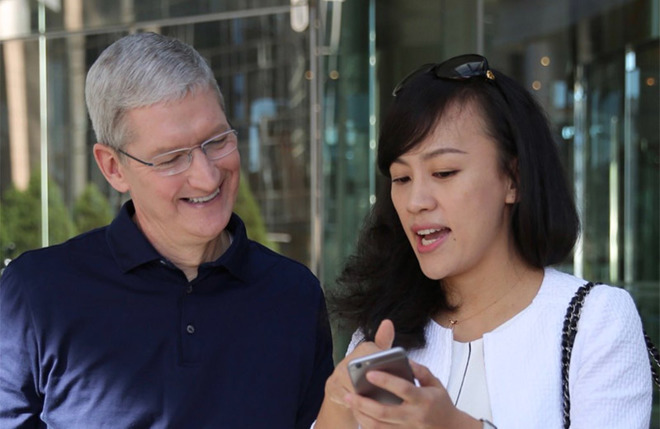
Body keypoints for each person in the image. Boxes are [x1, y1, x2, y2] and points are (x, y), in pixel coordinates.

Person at [0, 32, 333, 428]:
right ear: (113, 167)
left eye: (217, 140)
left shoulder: (294, 295)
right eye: (172, 158)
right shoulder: (36, 293)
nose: (207, 178)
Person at [313, 54, 652, 428]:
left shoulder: (595, 320)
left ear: (513, 179)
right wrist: (337, 406)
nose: (415, 202)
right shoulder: (384, 331)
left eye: (444, 172)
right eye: (401, 178)